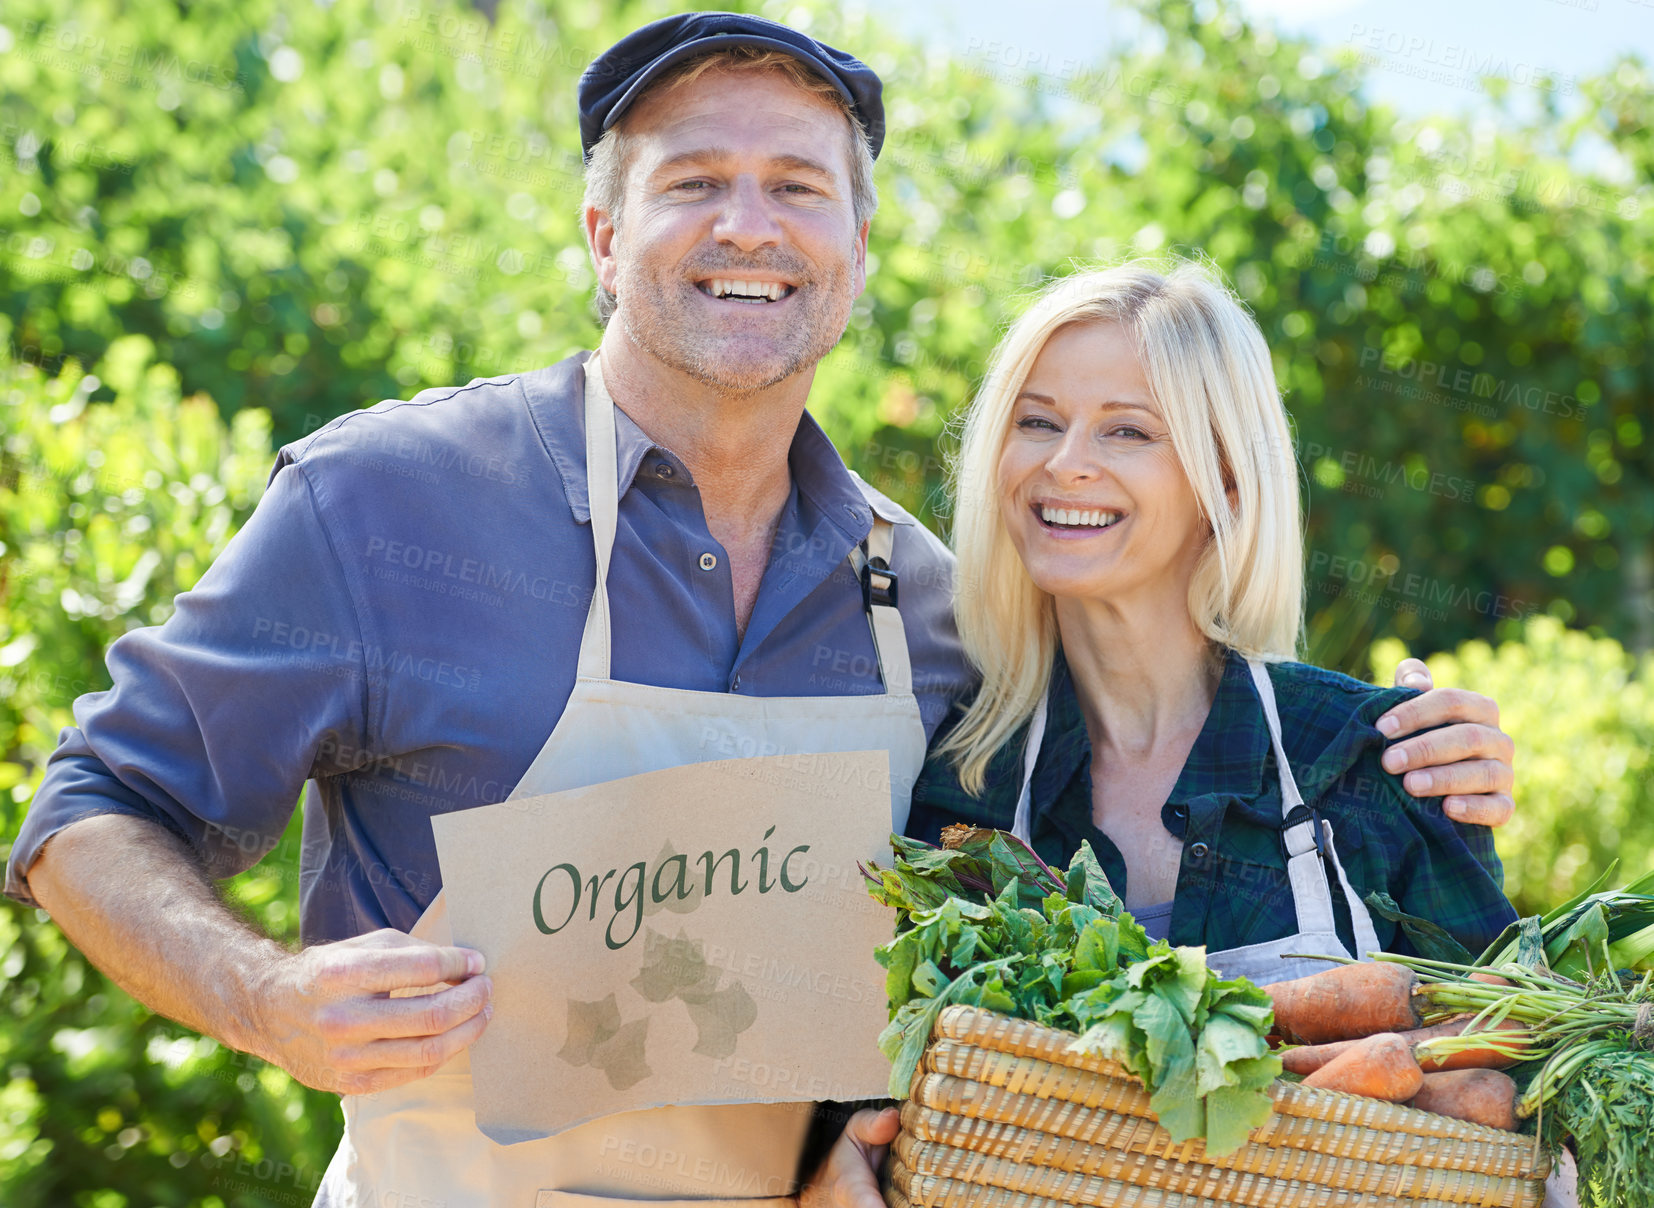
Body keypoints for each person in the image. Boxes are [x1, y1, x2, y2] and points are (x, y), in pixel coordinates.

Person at [4, 15, 1516, 1207]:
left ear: (852, 257)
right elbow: (94, 808)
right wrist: (271, 999)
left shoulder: (925, 610)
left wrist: (1418, 751)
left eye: (797, 187)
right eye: (691, 183)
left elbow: (1148, 771)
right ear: (603, 235)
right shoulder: (385, 506)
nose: (748, 225)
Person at [907, 262, 1518, 984]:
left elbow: (1505, 1066)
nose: (1065, 464)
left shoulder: (1374, 764)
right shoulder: (962, 788)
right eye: (1038, 422)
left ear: (1226, 482)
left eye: (1127, 431)